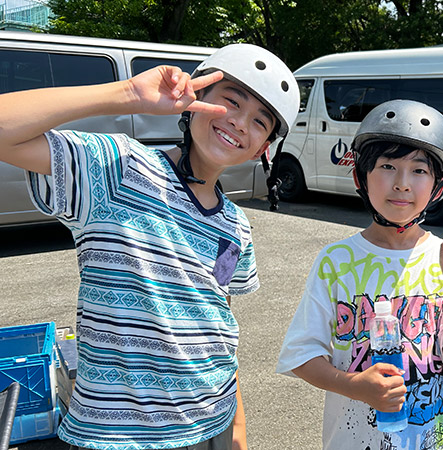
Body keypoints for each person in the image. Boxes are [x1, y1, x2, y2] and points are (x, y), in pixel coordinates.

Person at [0, 43, 300, 450]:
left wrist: (238, 433)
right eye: (231, 101)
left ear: (264, 147)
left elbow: (217, 330)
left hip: (211, 425)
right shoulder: (118, 168)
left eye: (260, 122)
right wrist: (125, 94)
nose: (240, 123)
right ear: (194, 101)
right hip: (114, 433)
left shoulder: (236, 227)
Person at [276, 99, 443, 450]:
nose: (403, 184)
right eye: (388, 166)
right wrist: (353, 385)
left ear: (438, 186)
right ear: (361, 176)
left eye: (419, 170)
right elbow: (301, 355)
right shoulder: (336, 261)